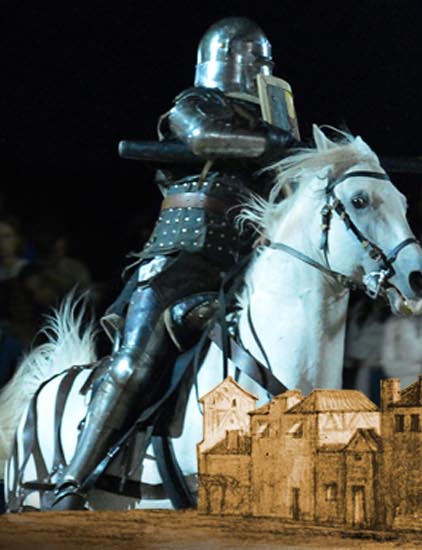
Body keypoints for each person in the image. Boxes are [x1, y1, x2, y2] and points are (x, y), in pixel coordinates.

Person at [47, 17, 303, 510]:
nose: (250, 68)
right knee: (131, 364)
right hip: (178, 265)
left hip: (246, 269)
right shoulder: (196, 105)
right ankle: (71, 480)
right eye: (245, 58)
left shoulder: (278, 120)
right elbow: (206, 138)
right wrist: (274, 148)